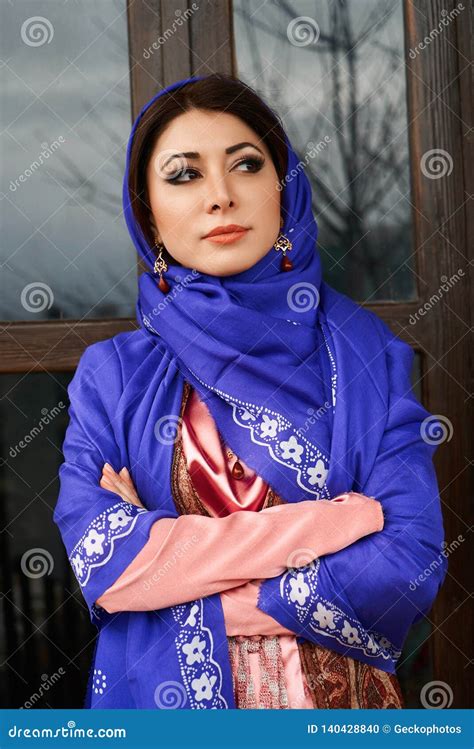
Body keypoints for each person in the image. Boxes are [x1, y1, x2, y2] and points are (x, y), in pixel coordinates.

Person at [54, 73, 447, 710]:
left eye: (245, 165)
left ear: (282, 189)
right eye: (184, 174)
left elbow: (409, 561)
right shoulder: (114, 377)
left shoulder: (363, 354)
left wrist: (177, 578)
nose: (220, 196)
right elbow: (109, 564)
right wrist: (339, 521)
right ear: (148, 214)